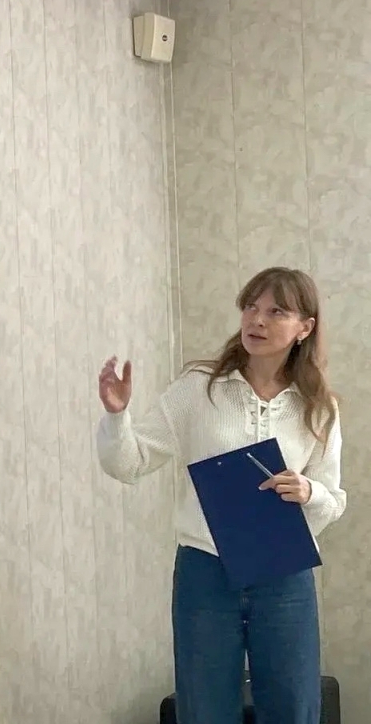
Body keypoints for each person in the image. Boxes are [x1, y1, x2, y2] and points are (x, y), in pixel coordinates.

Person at [95, 266, 346, 724]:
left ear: (305, 328)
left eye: (276, 311)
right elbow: (128, 463)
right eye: (251, 306)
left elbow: (333, 500)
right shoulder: (198, 388)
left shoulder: (318, 407)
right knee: (204, 708)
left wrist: (308, 491)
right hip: (205, 571)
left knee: (294, 707)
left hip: (284, 573)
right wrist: (117, 417)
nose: (257, 319)